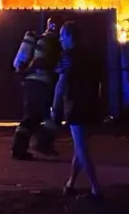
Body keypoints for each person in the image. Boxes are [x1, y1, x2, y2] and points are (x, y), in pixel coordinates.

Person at [58, 21, 104, 198]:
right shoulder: (91, 54)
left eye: (63, 35)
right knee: (79, 148)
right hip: (92, 105)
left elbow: (61, 83)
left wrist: (55, 107)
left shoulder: (67, 57)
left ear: (70, 36)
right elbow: (101, 80)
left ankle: (95, 188)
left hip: (76, 106)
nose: (60, 39)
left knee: (82, 149)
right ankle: (70, 183)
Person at [11, 19, 62, 159]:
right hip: (42, 84)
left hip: (30, 83)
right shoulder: (55, 43)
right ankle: (42, 145)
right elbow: (59, 66)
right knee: (51, 116)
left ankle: (19, 149)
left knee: (31, 117)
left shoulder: (39, 40)